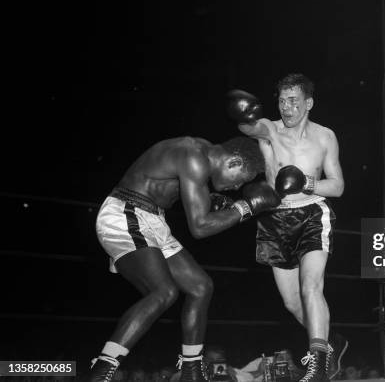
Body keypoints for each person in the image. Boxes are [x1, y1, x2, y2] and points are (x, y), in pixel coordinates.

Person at [88, 136, 280, 382]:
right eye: (240, 179)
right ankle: (102, 369)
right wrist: (246, 206)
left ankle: (191, 370)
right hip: (125, 213)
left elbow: (182, 197)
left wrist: (215, 202)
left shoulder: (201, 157)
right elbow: (200, 227)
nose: (236, 187)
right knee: (163, 291)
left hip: (151, 219)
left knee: (201, 287)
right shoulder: (193, 157)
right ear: (234, 162)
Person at [227, 73, 346, 382]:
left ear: (308, 102)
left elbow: (338, 186)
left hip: (312, 214)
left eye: (293, 101)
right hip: (274, 218)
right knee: (292, 302)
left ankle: (317, 363)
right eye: (281, 101)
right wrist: (242, 113)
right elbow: (248, 126)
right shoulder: (269, 129)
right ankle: (332, 344)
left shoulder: (325, 136)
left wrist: (306, 182)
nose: (286, 108)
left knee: (311, 287)